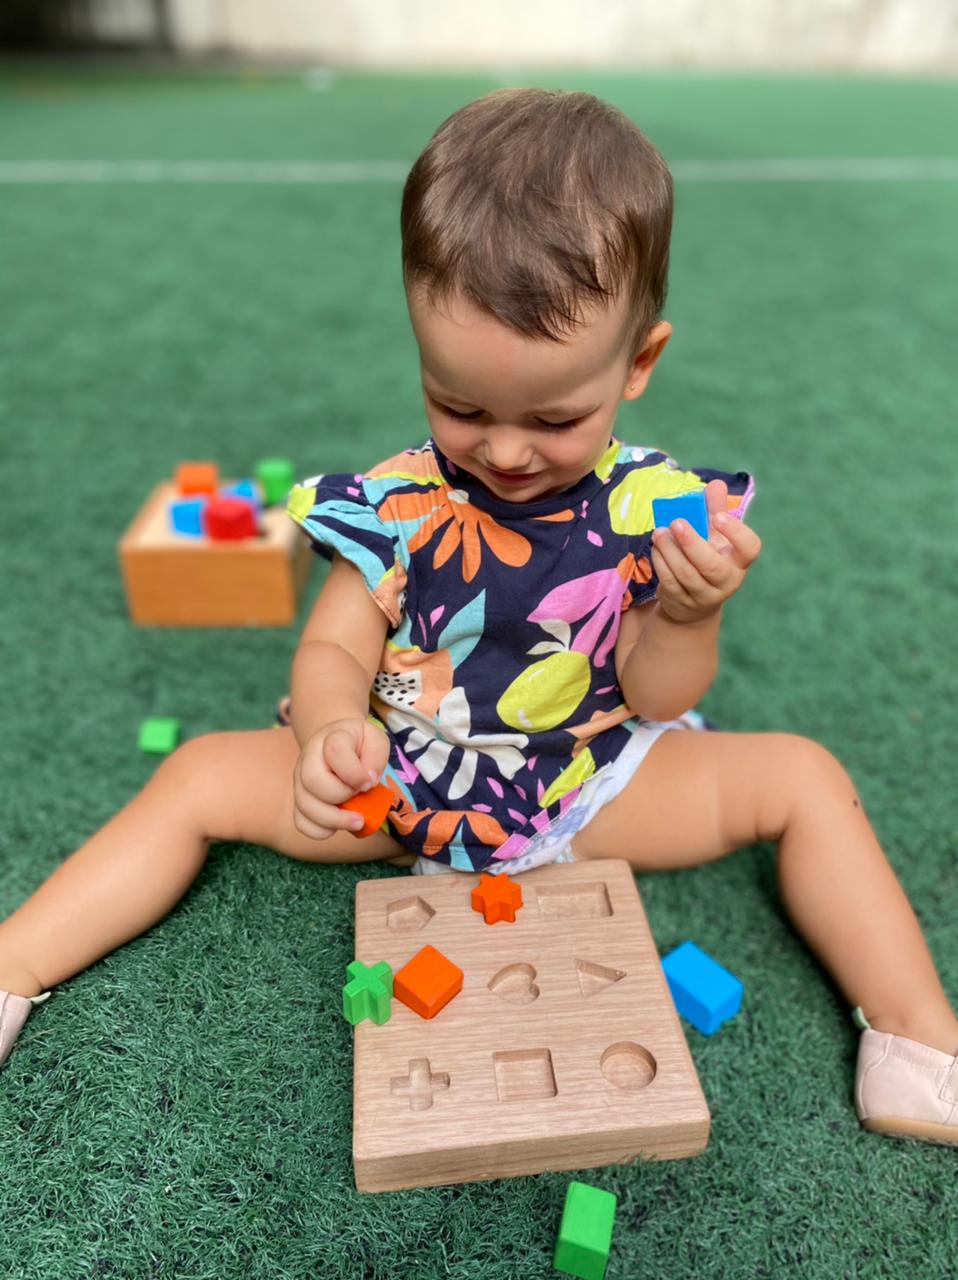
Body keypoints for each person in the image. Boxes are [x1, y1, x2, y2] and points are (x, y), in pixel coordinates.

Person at [2, 89, 956, 1146]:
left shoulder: (652, 511)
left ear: (638, 363)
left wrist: (689, 615)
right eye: (459, 405)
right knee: (192, 779)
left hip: (587, 781)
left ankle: (919, 1038)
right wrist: (328, 736)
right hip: (403, 780)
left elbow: (657, 694)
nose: (504, 451)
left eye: (554, 416)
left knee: (806, 779)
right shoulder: (400, 504)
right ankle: (12, 963)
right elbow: (332, 645)